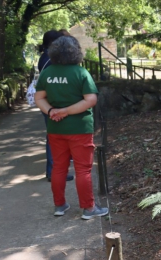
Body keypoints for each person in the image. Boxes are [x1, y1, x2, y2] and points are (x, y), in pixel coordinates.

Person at [34, 35, 108, 219]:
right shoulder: (81, 73)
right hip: (79, 128)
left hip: (55, 128)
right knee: (83, 169)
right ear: (76, 52)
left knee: (58, 167)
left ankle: (59, 205)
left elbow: (39, 98)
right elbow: (90, 100)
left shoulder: (47, 73)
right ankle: (89, 208)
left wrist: (52, 111)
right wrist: (67, 111)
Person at [38, 30, 74, 183]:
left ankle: (54, 171)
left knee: (53, 136)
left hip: (48, 103)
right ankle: (54, 172)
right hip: (53, 103)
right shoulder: (51, 60)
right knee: (54, 138)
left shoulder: (44, 58)